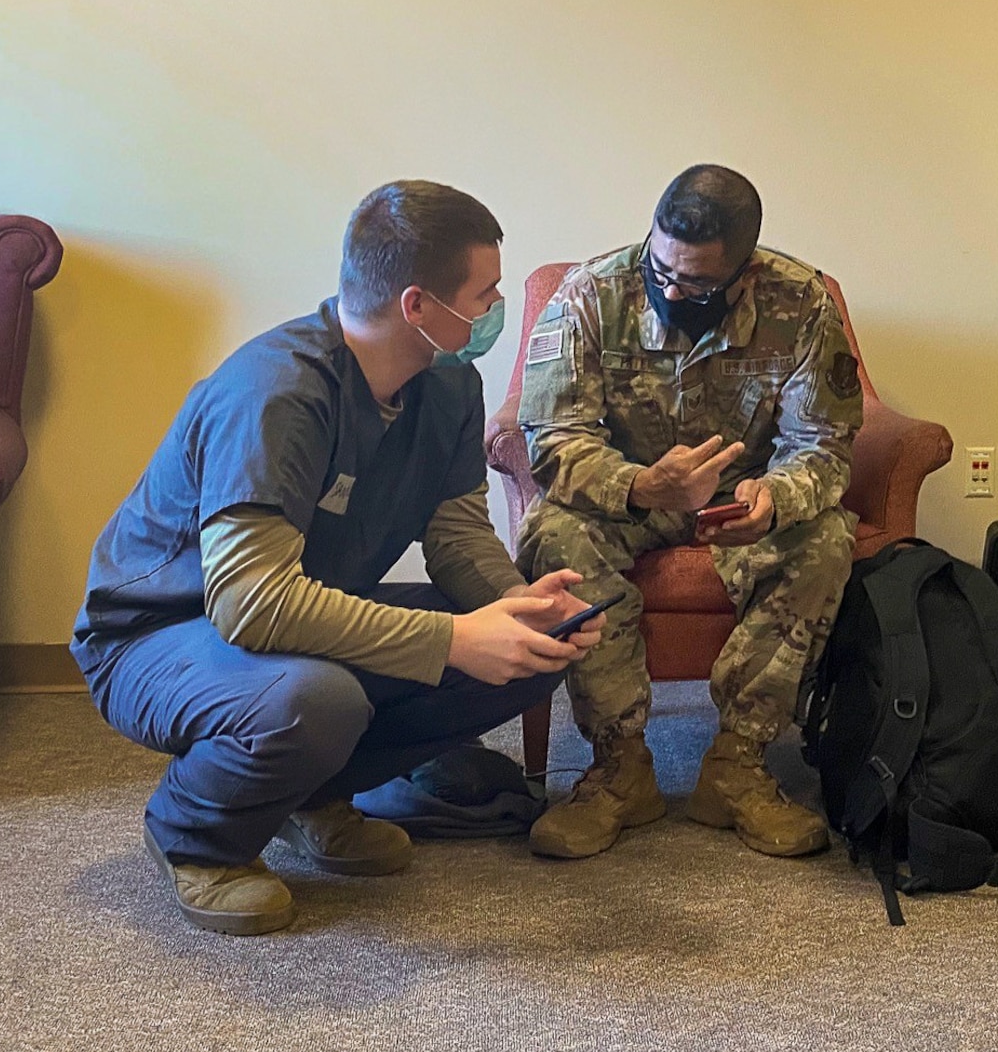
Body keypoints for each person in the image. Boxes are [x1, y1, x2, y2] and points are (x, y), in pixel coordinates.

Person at [72, 181, 602, 935]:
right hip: (157, 639)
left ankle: (310, 795)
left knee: (530, 651)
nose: (493, 312)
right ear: (417, 305)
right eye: (484, 295)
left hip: (292, 624)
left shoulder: (448, 384)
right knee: (316, 700)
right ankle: (195, 837)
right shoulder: (277, 394)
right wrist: (455, 638)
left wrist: (517, 607)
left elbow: (456, 534)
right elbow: (251, 601)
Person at [510, 164, 862, 861]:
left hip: (741, 500)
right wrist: (642, 486)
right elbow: (553, 441)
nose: (671, 289)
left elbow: (823, 445)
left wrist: (777, 498)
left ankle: (738, 767)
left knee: (825, 539)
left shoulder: (802, 303)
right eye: (660, 268)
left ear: (744, 268)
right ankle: (618, 769)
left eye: (697, 282)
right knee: (554, 533)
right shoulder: (591, 293)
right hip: (626, 493)